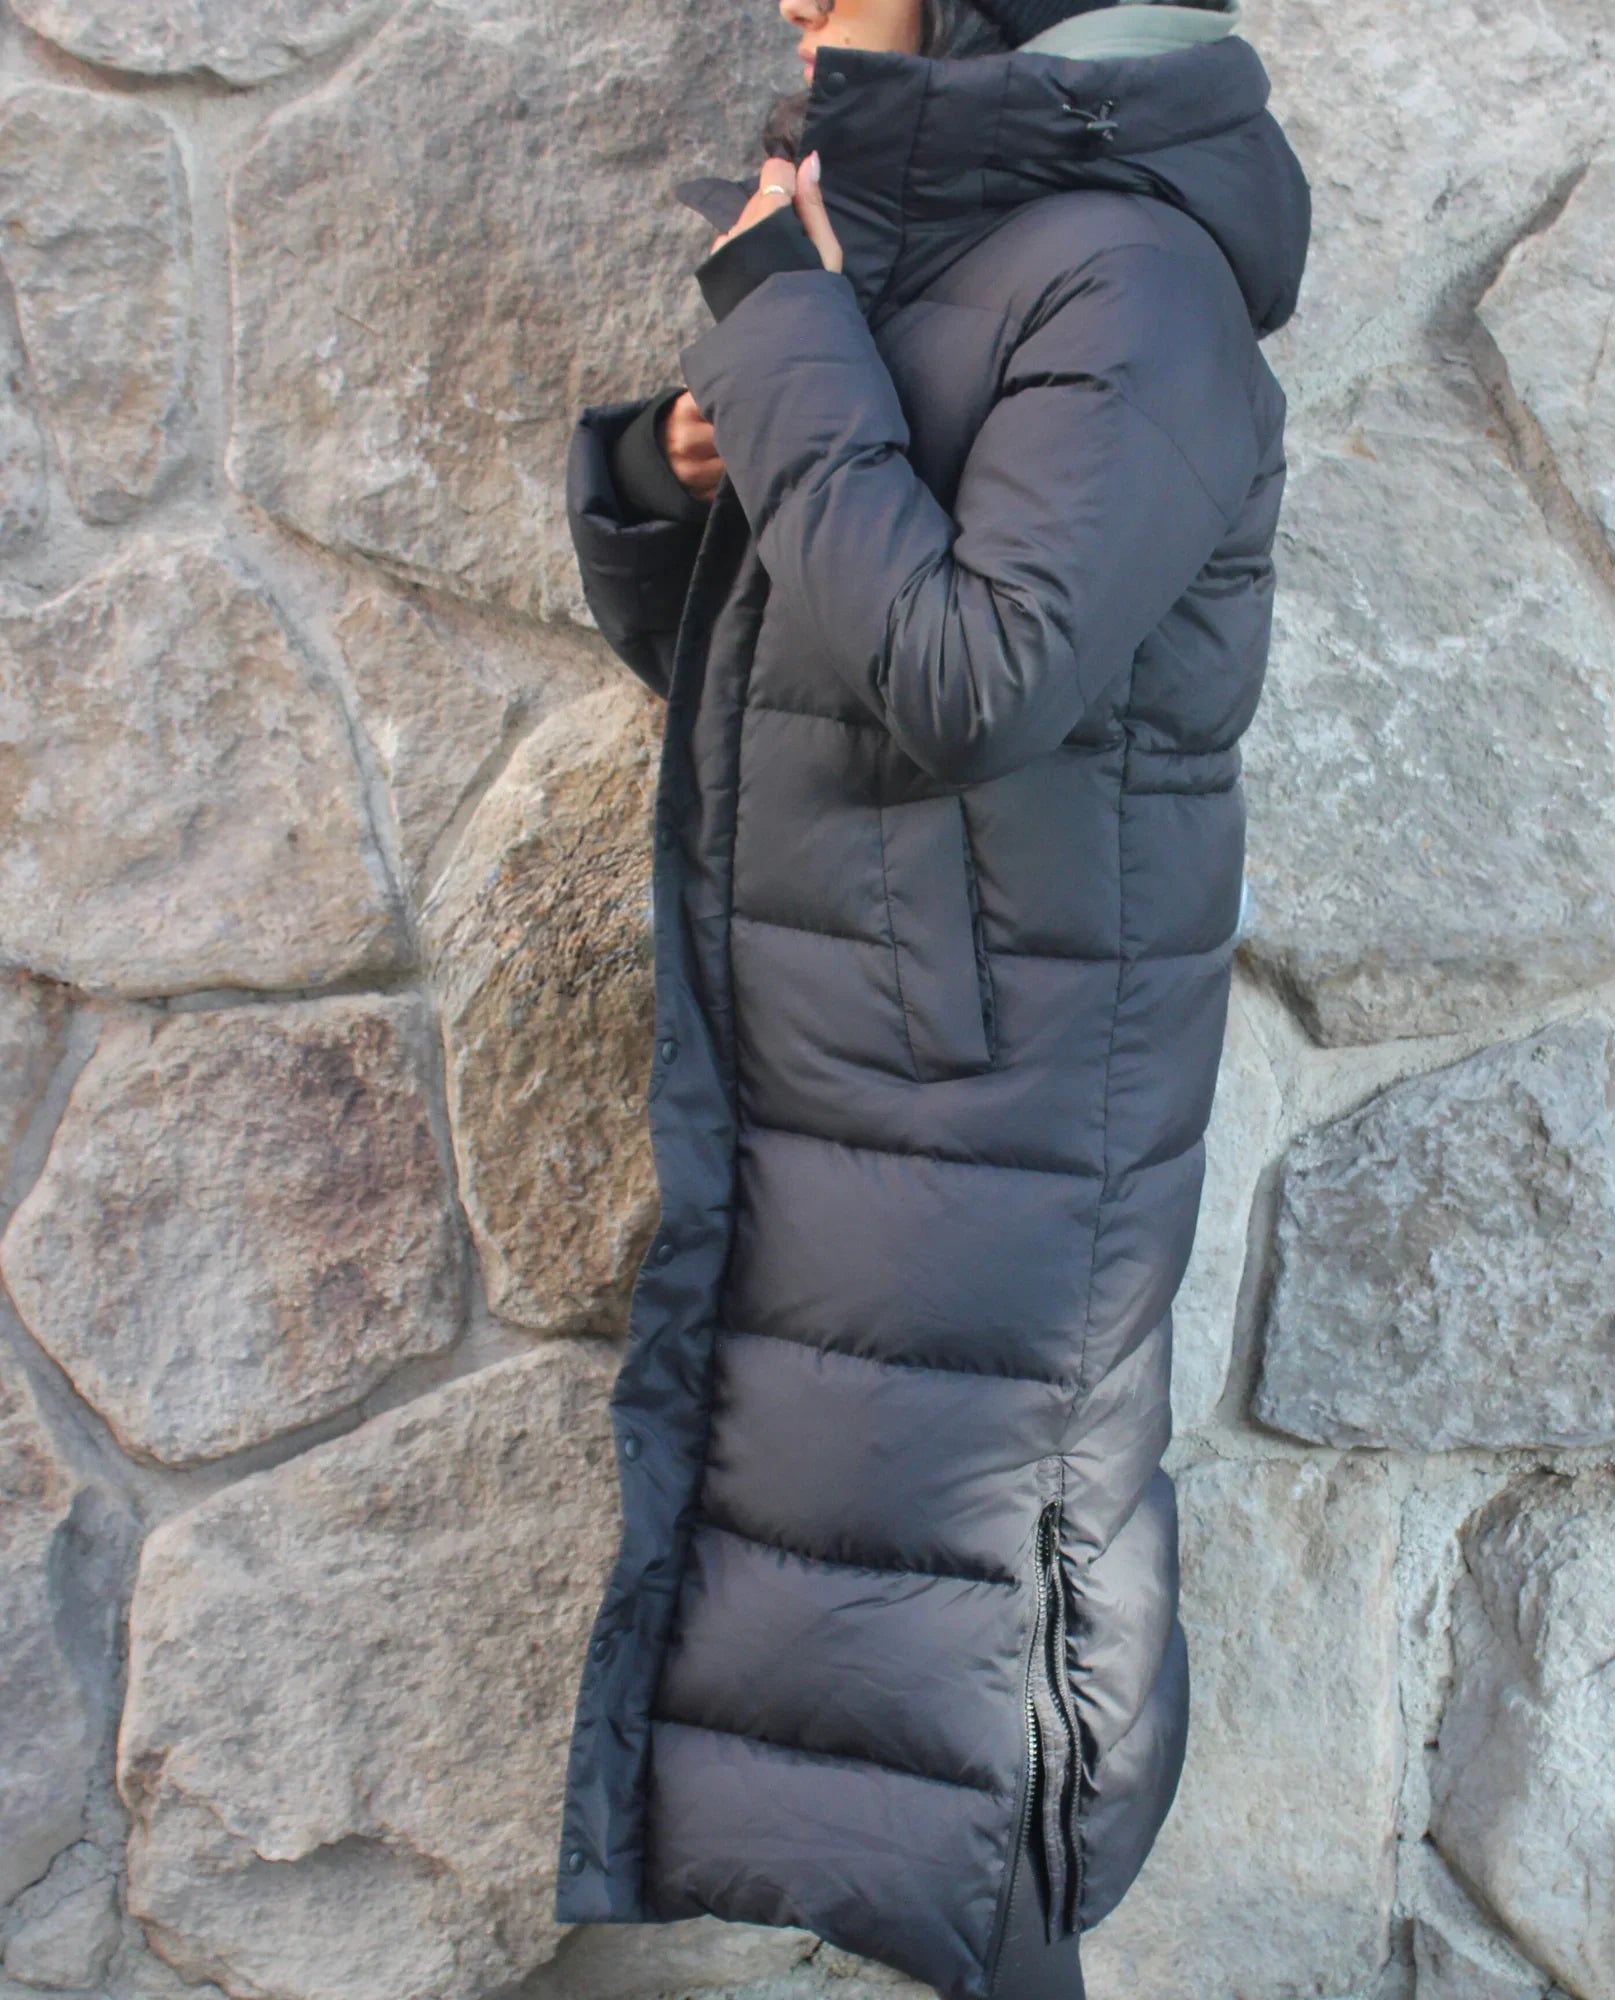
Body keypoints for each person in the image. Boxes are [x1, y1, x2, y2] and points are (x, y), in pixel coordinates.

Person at [554, 2, 1311, 1996]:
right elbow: (773, 677)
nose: (793, 3)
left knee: (977, 1719)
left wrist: (790, 336)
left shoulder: (1135, 287)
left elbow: (978, 679)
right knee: (861, 1703)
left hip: (995, 1116)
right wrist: (666, 465)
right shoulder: (913, 254)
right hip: (850, 1069)